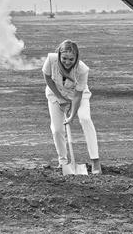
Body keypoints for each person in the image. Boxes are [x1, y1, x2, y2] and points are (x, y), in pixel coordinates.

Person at [44, 40, 102, 174]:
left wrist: (71, 115)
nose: (67, 62)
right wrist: (60, 98)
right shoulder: (51, 59)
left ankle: (95, 160)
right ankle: (63, 161)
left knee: (85, 118)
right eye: (64, 58)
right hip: (55, 93)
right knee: (57, 129)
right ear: (59, 55)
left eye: (71, 59)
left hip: (77, 94)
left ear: (76, 57)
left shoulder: (83, 69)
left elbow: (77, 95)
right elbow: (48, 79)